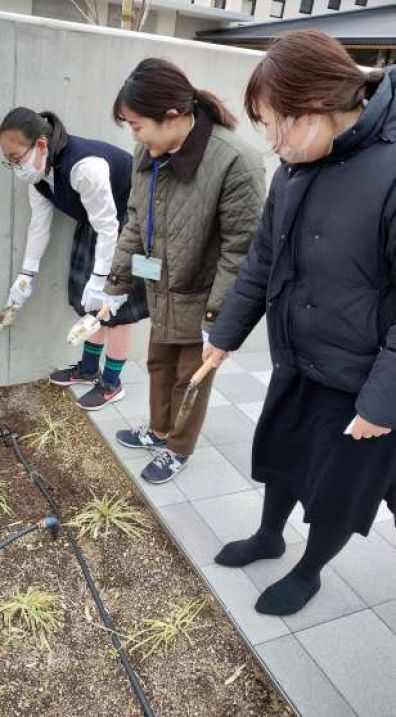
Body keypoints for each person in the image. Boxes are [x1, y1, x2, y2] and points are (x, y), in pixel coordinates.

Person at [204, 30, 396, 616]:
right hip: (299, 357)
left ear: (312, 112)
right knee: (283, 457)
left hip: (360, 381)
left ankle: (310, 570)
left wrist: (382, 405)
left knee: (337, 491)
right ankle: (269, 536)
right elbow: (264, 258)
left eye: (272, 124)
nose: (271, 141)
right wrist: (224, 336)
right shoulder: (295, 168)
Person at [103, 58, 265, 484]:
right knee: (159, 363)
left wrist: (219, 320)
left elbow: (240, 251)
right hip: (162, 286)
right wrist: (116, 282)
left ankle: (178, 447)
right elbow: (136, 219)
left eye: (137, 125)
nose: (134, 135)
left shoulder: (235, 162)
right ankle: (158, 431)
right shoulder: (149, 151)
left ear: (172, 117)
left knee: (189, 377)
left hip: (205, 294)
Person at [0, 107, 148, 410]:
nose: (16, 167)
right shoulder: (39, 175)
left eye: (16, 159)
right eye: (9, 161)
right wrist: (26, 275)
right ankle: (89, 368)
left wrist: (102, 278)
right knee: (90, 303)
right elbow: (39, 225)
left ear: (41, 145)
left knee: (117, 309)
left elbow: (110, 228)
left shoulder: (84, 166)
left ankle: (111, 383)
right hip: (97, 227)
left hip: (131, 228)